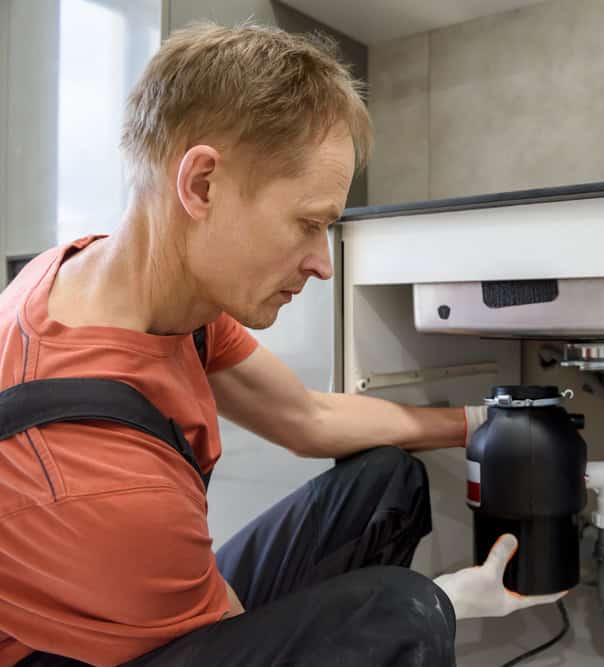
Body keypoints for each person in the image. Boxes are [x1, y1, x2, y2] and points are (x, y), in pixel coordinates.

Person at [0, 22, 564, 667]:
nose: (322, 263)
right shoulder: (98, 481)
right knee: (400, 618)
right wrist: (442, 604)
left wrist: (483, 424)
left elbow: (307, 418)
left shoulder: (129, 285)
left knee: (385, 482)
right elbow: (235, 635)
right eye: (307, 224)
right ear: (203, 184)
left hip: (137, 600)